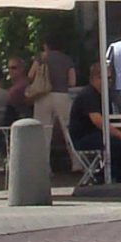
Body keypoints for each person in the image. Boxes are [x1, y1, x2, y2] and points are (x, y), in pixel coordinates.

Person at [68, 60, 121, 182]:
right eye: (108, 78)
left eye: (111, 78)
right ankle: (105, 176)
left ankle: (117, 176)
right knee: (119, 144)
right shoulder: (88, 95)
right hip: (84, 137)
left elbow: (110, 119)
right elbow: (98, 121)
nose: (110, 81)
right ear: (96, 78)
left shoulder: (104, 95)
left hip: (98, 134)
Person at [29, 36, 71, 164]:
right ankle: (78, 163)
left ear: (46, 45)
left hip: (43, 96)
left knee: (43, 132)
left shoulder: (41, 58)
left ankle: (43, 166)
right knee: (68, 129)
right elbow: (72, 81)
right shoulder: (67, 59)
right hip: (62, 96)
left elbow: (31, 74)